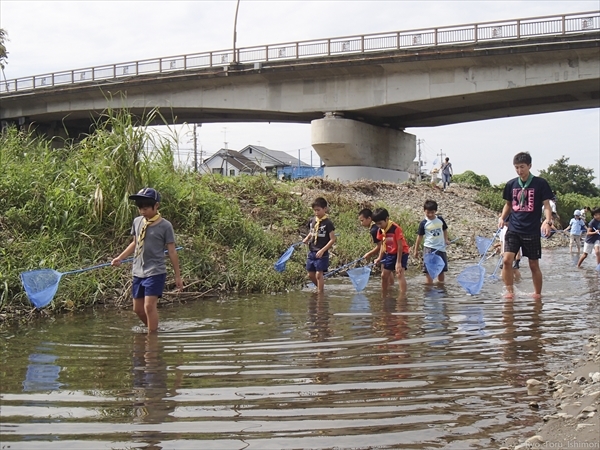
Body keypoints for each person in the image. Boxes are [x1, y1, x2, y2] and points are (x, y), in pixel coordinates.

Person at [111, 187, 183, 333]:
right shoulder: (137, 222)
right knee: (138, 309)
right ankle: (154, 330)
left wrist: (177, 275)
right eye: (140, 208)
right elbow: (135, 243)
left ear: (156, 206)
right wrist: (120, 257)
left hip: (155, 271)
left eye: (146, 208)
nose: (143, 212)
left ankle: (152, 340)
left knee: (149, 306)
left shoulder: (165, 226)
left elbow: (172, 251)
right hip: (138, 271)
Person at [498, 152, 554, 299]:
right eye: (516, 167)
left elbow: (547, 205)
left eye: (522, 167)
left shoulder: (540, 183)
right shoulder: (511, 184)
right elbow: (508, 204)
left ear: (529, 166)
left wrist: (547, 221)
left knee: (533, 265)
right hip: (514, 229)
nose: (519, 170)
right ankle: (510, 292)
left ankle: (537, 294)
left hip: (531, 230)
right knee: (506, 260)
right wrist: (502, 217)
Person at [302, 197, 336, 293]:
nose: (316, 212)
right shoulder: (313, 221)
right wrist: (307, 238)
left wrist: (322, 250)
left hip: (322, 253)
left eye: (318, 210)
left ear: (325, 209)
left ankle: (320, 294)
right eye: (315, 210)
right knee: (310, 274)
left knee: (318, 274)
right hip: (312, 251)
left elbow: (333, 239)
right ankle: (320, 288)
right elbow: (312, 232)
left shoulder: (328, 223)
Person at [372, 208, 410, 295]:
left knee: (399, 274)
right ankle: (384, 294)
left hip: (401, 253)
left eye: (380, 223)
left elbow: (400, 246)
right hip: (390, 253)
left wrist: (398, 263)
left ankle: (402, 297)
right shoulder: (380, 230)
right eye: (376, 224)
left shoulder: (395, 228)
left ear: (387, 219)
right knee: (383, 275)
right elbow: (382, 244)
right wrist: (379, 257)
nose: (379, 225)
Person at [413, 200, 450, 284]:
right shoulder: (424, 223)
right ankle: (429, 288)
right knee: (429, 270)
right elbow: (419, 237)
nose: (430, 214)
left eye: (432, 212)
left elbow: (444, 229)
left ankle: (441, 287)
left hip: (441, 248)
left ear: (435, 211)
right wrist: (416, 250)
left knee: (441, 269)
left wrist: (446, 239)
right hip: (429, 249)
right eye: (428, 212)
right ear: (424, 211)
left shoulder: (440, 219)